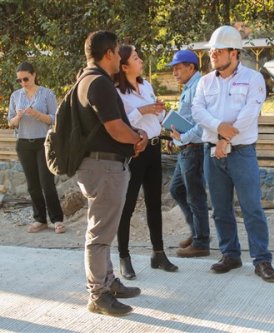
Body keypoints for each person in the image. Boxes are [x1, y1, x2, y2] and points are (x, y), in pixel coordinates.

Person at [192, 25, 274, 282]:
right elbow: (198, 111)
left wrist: (225, 138)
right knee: (220, 209)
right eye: (212, 51)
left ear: (234, 53)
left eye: (219, 51)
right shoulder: (205, 82)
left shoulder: (253, 80)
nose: (213, 55)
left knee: (252, 207)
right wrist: (219, 130)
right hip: (213, 154)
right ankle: (230, 254)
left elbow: (249, 114)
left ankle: (262, 259)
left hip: (241, 153)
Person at [76, 31, 148, 316]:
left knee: (103, 229)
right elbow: (115, 127)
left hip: (102, 165)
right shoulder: (100, 83)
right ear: (108, 54)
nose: (120, 57)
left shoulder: (88, 79)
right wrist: (137, 139)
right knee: (99, 233)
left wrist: (135, 135)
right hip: (103, 167)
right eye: (118, 52)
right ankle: (98, 294)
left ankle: (108, 282)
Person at [114, 45, 178, 280]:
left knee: (154, 203)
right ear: (124, 66)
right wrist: (142, 109)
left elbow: (157, 119)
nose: (140, 60)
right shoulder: (117, 92)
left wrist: (159, 110)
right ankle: (124, 257)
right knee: (127, 205)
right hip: (134, 151)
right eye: (135, 58)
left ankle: (158, 253)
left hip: (153, 148)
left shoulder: (146, 85)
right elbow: (120, 122)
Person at [8, 62, 65, 234]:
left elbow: (54, 120)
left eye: (26, 78)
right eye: (19, 80)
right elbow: (10, 123)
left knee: (47, 183)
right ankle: (40, 219)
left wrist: (36, 114)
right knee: (32, 184)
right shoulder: (16, 96)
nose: (23, 83)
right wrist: (17, 117)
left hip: (44, 142)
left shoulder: (47, 94)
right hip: (24, 142)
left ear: (34, 75)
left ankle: (57, 219)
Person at [167, 50, 210, 258]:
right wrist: (175, 137)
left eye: (178, 67)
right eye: (173, 68)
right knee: (177, 189)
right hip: (185, 147)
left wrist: (181, 138)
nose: (174, 72)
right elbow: (188, 119)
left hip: (194, 148)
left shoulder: (199, 87)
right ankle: (198, 232)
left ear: (191, 67)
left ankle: (201, 242)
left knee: (195, 195)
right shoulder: (190, 86)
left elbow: (201, 126)